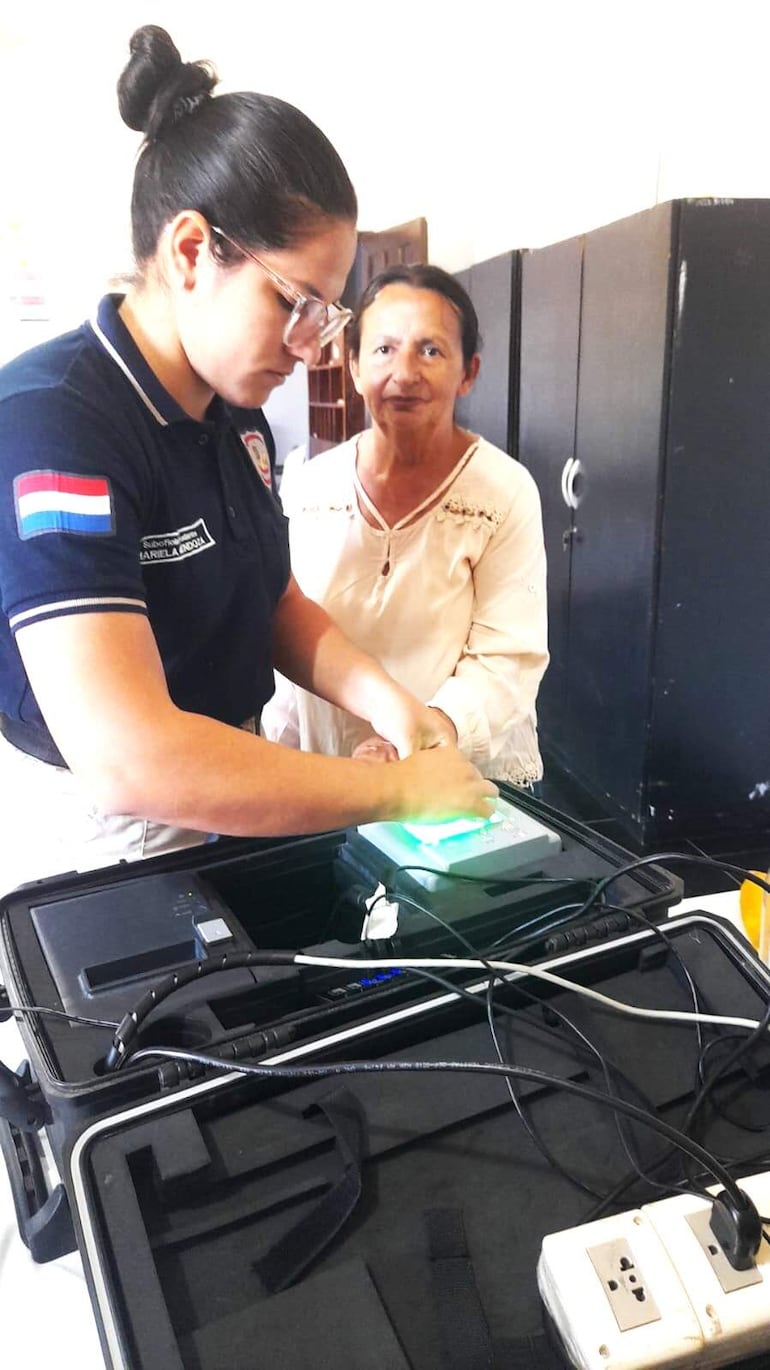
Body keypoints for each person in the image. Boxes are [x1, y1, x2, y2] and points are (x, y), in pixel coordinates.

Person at [0, 27, 497, 891]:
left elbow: (272, 601)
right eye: (297, 304)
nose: (312, 348)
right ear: (192, 251)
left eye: (327, 317)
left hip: (228, 782)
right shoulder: (57, 425)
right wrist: (393, 792)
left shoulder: (239, 418)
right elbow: (130, 756)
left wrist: (390, 706)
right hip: (105, 836)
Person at [263, 264, 549, 786]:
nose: (405, 372)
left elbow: (508, 655)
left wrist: (428, 730)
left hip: (451, 774)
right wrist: (281, 753)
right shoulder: (309, 484)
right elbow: (286, 621)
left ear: (469, 371)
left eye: (431, 350)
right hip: (326, 773)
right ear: (351, 366)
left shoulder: (503, 492)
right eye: (383, 349)